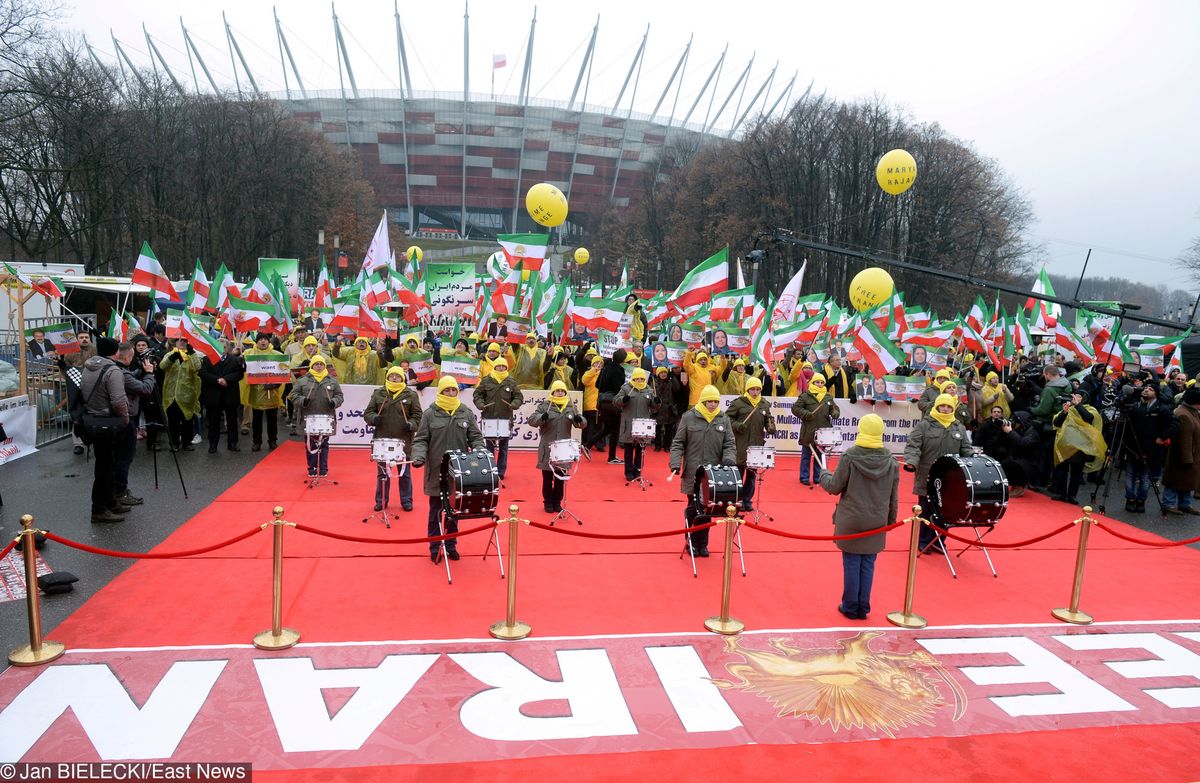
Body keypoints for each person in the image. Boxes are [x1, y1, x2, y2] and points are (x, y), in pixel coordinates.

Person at [818, 414, 898, 620]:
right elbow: (893, 496)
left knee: (852, 562)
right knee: (868, 563)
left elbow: (833, 487)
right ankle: (863, 606)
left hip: (852, 517)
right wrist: (890, 521)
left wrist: (824, 473)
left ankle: (850, 606)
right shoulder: (891, 460)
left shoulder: (850, 456)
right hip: (877, 517)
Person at [411, 376, 485, 562]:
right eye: (447, 390)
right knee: (435, 511)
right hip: (436, 470)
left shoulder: (465, 412)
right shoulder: (430, 414)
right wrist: (418, 456)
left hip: (459, 472)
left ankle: (451, 545)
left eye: (453, 390)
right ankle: (435, 547)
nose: (451, 393)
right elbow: (420, 439)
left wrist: (480, 450)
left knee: (454, 512)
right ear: (441, 392)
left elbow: (475, 436)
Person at [669, 384, 736, 558]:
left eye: (715, 401)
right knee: (693, 508)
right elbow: (678, 443)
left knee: (708, 510)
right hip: (693, 472)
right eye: (709, 401)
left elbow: (729, 443)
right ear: (703, 401)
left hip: (713, 474)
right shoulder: (689, 417)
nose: (713, 404)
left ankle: (703, 544)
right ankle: (690, 542)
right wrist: (675, 463)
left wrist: (729, 458)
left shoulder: (723, 418)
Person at [904, 393, 975, 553]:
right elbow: (913, 445)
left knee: (946, 510)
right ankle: (922, 541)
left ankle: (938, 541)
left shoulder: (959, 426)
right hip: (927, 475)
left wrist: (973, 457)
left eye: (948, 406)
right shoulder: (924, 425)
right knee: (926, 509)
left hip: (950, 477)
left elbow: (965, 448)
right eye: (942, 406)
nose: (945, 409)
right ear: (936, 406)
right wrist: (911, 461)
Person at [81, 337, 130, 523]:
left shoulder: (88, 366)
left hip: (93, 420)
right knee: (105, 468)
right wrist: (125, 419)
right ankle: (99, 509)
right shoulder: (113, 370)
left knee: (106, 465)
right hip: (109, 422)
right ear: (115, 351)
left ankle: (110, 501)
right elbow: (118, 401)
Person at [363, 365, 423, 512]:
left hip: (403, 440)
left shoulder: (410, 395)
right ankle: (381, 501)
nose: (394, 378)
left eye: (397, 376)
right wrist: (373, 419)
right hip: (382, 439)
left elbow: (418, 416)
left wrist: (412, 424)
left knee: (405, 473)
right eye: (391, 376)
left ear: (402, 378)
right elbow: (368, 413)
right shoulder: (379, 393)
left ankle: (406, 501)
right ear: (387, 377)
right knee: (383, 473)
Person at [529, 380, 586, 512]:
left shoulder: (570, 406)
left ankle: (557, 502)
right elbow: (532, 420)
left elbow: (582, 424)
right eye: (557, 391)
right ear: (552, 392)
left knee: (561, 478)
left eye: (562, 391)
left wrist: (580, 420)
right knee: (548, 478)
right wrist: (541, 417)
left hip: (564, 449)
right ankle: (548, 502)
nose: (560, 393)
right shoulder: (545, 405)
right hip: (548, 448)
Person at [113, 342, 155, 509]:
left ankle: (116, 492)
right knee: (124, 458)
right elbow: (145, 389)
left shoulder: (112, 369)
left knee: (116, 459)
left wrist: (141, 371)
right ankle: (120, 492)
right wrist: (150, 374)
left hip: (114, 420)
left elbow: (131, 379)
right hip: (125, 419)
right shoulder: (121, 373)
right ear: (127, 357)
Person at [288, 354, 343, 478]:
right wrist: (302, 400)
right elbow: (293, 395)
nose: (319, 366)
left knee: (324, 444)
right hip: (309, 417)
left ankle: (323, 468)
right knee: (310, 444)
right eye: (316, 364)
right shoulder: (303, 380)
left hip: (326, 416)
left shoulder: (332, 381)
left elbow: (340, 396)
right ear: (312, 365)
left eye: (321, 364)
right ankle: (312, 468)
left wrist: (334, 402)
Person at [727, 375, 776, 510]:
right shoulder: (738, 403)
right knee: (738, 474)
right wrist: (737, 425)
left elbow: (768, 420)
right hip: (740, 444)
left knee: (752, 476)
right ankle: (735, 501)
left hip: (756, 445)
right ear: (747, 390)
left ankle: (747, 500)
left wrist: (771, 426)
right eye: (752, 389)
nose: (755, 392)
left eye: (757, 389)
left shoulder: (764, 404)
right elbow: (726, 419)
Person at [1051, 391, 1106, 505]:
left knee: (1076, 472)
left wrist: (1077, 405)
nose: (1075, 398)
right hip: (1065, 445)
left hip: (1080, 448)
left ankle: (1072, 495)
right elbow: (1057, 423)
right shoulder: (1068, 409)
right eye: (1074, 396)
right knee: (1061, 470)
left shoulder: (1091, 410)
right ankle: (1061, 493)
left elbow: (1089, 418)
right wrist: (1064, 411)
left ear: (1085, 398)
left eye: (1079, 396)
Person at [1123, 382, 1171, 513]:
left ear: (1156, 393)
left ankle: (1141, 500)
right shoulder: (1134, 406)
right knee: (1130, 475)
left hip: (1151, 449)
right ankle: (1130, 499)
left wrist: (1162, 437)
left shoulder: (1162, 408)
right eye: (1145, 388)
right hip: (1132, 447)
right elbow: (1125, 426)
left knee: (1145, 476)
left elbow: (1174, 424)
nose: (1146, 390)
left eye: (1150, 389)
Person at [473, 357, 523, 481]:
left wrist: (515, 404)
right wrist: (480, 404)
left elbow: (518, 396)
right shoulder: (486, 380)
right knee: (489, 447)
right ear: (494, 367)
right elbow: (477, 394)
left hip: (505, 419)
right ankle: (489, 469)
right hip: (489, 418)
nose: (501, 368)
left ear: (506, 368)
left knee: (503, 446)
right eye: (498, 366)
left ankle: (500, 471)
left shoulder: (511, 381)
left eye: (503, 366)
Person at [199, 339, 246, 453]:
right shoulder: (207, 359)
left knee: (232, 421)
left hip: (230, 395)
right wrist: (217, 380)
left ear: (228, 349)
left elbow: (239, 374)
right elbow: (203, 373)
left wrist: (227, 379)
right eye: (218, 346)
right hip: (213, 395)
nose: (221, 349)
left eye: (224, 347)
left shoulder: (235, 360)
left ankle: (233, 443)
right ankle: (213, 444)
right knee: (213, 422)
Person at [793, 373, 840, 486]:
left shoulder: (828, 396)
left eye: (822, 382)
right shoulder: (805, 396)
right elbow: (795, 408)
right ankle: (804, 477)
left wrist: (835, 413)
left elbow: (835, 409)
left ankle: (818, 477)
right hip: (809, 430)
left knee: (820, 454)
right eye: (817, 382)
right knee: (806, 455)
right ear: (813, 383)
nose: (819, 384)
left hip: (823, 431)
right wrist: (806, 414)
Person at [244, 333, 286, 451]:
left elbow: (282, 374)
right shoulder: (249, 354)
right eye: (260, 339)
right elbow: (243, 368)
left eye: (265, 339)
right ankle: (256, 442)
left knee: (272, 419)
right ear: (256, 342)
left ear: (269, 341)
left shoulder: (277, 355)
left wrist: (274, 384)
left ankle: (272, 441)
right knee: (256, 420)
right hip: (256, 393)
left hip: (272, 393)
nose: (263, 341)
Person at [615, 367, 658, 482]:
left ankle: (637, 470)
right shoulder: (625, 388)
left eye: (641, 379)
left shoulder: (648, 390)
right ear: (633, 378)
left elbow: (654, 407)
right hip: (629, 423)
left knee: (640, 449)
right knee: (628, 449)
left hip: (643, 425)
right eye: (637, 379)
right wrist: (623, 400)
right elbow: (616, 401)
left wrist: (657, 402)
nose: (639, 381)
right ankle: (628, 471)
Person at [1162, 387, 1200, 515]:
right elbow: (1184, 440)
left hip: (1191, 453)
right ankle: (1169, 503)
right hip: (1184, 455)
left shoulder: (1190, 411)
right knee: (1176, 480)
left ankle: (1185, 504)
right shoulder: (1184, 414)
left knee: (1186, 481)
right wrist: (1187, 458)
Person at [586, 349, 628, 463]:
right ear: (623, 360)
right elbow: (618, 388)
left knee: (608, 428)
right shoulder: (619, 370)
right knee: (614, 430)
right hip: (613, 403)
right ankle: (612, 457)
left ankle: (588, 445)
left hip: (603, 402)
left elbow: (597, 384)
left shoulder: (605, 368)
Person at [160, 339, 202, 452]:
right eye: (180, 341)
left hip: (187, 394)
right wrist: (172, 357)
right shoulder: (169, 354)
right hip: (171, 395)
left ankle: (186, 443)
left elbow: (198, 367)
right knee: (173, 422)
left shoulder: (192, 356)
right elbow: (162, 366)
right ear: (175, 343)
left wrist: (192, 354)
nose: (182, 343)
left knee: (187, 420)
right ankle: (174, 443)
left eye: (185, 341)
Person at [652, 365, 685, 452]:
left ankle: (667, 446)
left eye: (665, 372)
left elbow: (677, 388)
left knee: (669, 430)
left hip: (669, 409)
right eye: (661, 373)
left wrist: (673, 377)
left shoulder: (670, 382)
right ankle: (657, 445)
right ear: (658, 374)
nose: (663, 374)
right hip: (658, 409)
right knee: (657, 429)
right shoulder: (654, 383)